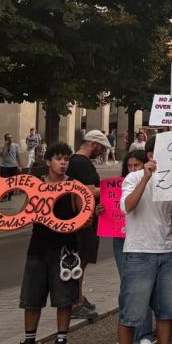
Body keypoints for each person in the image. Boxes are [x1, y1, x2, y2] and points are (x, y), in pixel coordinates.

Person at [112, 137, 172, 344]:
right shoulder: (133, 178)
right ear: (150, 155)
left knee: (166, 310)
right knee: (131, 309)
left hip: (165, 253)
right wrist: (145, 176)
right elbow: (127, 207)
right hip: (139, 252)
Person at [9, 143, 82, 344]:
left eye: (66, 159)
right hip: (38, 247)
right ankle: (29, 341)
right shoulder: (37, 185)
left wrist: (89, 216)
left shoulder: (73, 186)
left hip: (64, 249)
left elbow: (82, 215)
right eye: (59, 159)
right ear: (48, 161)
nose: (63, 163)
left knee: (64, 297)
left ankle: (61, 339)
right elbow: (26, 213)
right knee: (32, 296)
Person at [111, 151, 156, 344]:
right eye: (129, 166)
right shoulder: (124, 183)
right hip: (122, 240)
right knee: (127, 288)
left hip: (141, 241)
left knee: (142, 288)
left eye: (136, 165)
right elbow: (120, 207)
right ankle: (130, 332)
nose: (133, 170)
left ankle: (144, 333)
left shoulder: (149, 183)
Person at [68, 130, 110, 320]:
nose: (102, 152)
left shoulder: (75, 161)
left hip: (84, 218)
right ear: (93, 144)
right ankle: (75, 300)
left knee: (80, 260)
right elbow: (88, 191)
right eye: (101, 148)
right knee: (81, 260)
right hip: (85, 220)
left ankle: (77, 296)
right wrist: (112, 189)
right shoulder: (82, 164)